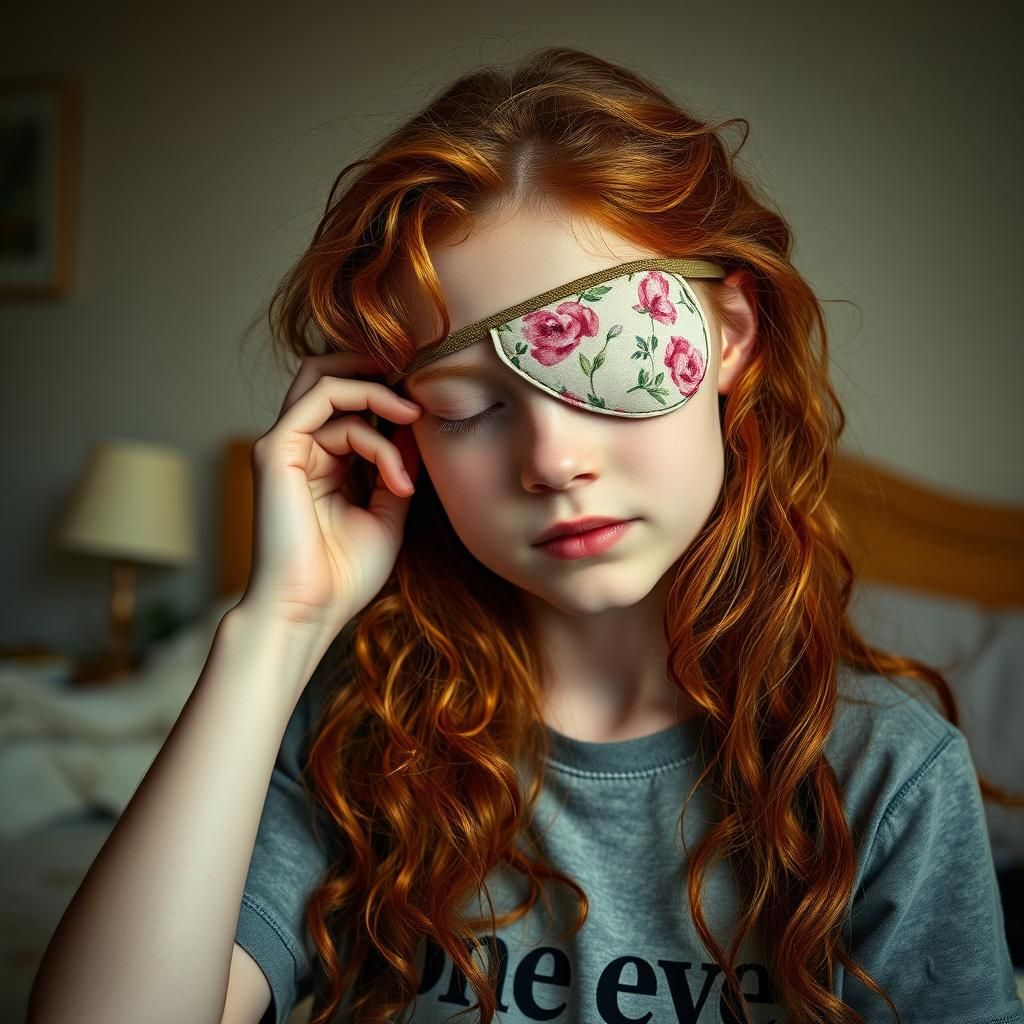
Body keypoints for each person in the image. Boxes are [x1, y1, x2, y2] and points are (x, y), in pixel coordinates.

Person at [28, 46, 1024, 1024]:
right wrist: (277, 629)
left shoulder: (883, 775)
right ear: (396, 424)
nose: (552, 460)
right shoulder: (356, 737)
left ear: (730, 333)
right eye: (464, 407)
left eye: (610, 360)